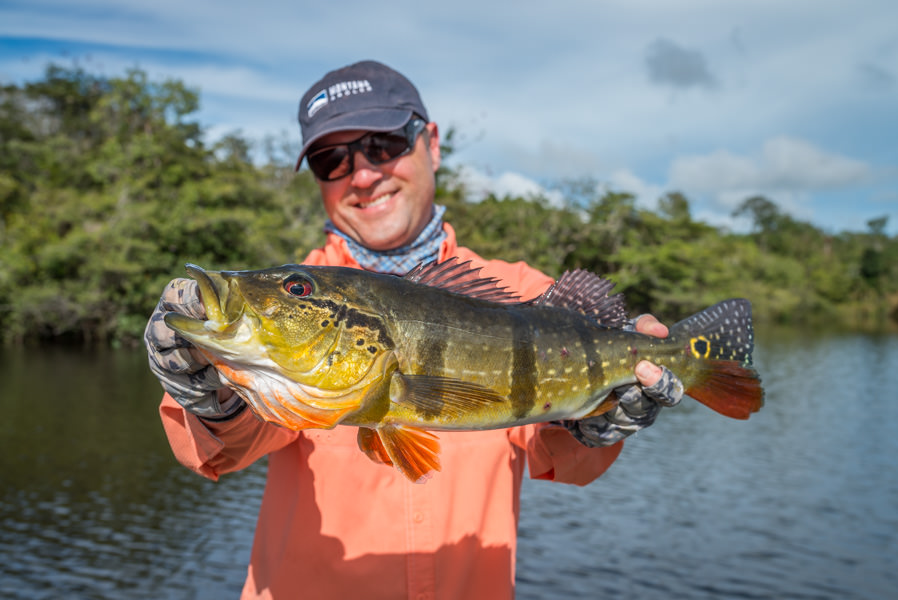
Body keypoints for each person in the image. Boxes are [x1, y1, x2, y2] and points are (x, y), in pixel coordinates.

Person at [145, 60, 683, 600]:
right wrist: (206, 394)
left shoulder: (525, 296)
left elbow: (559, 455)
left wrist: (597, 423)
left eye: (382, 145)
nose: (362, 175)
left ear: (431, 142)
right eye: (332, 159)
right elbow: (226, 449)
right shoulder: (289, 306)